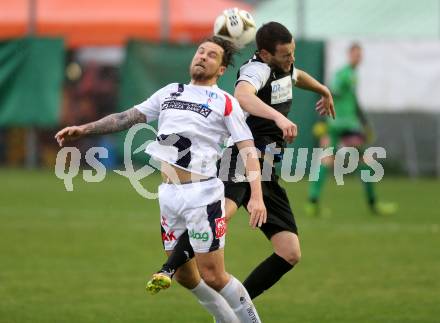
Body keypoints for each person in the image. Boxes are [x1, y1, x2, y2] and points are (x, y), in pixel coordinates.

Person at [55, 36, 266, 323]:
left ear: (221, 70)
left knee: (214, 275)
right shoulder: (170, 92)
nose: (202, 56)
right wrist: (84, 129)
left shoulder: (224, 102)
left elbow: (247, 147)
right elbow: (125, 118)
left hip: (202, 195)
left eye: (212, 55)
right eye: (201, 51)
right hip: (169, 195)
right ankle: (226, 319)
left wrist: (256, 195)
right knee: (183, 275)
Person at [147, 22, 335, 302]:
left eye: (292, 53)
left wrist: (323, 90)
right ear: (266, 54)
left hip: (268, 168)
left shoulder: (284, 66)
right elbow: (243, 95)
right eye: (285, 55)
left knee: (290, 252)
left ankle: (235, 306)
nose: (291, 59)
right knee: (218, 215)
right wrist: (278, 116)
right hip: (243, 158)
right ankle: (168, 269)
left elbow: (296, 75)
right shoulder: (255, 70)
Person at [305, 43, 397, 216]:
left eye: (360, 55)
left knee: (327, 160)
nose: (358, 57)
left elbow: (353, 100)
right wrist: (322, 121)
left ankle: (313, 202)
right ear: (349, 55)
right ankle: (373, 204)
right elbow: (329, 94)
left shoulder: (352, 74)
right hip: (344, 124)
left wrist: (364, 122)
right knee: (364, 161)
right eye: (356, 54)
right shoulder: (343, 74)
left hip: (338, 123)